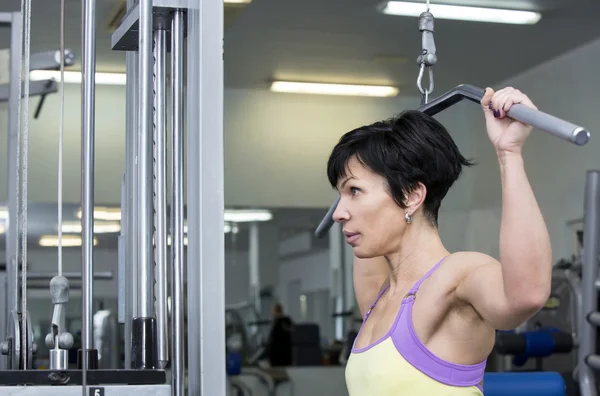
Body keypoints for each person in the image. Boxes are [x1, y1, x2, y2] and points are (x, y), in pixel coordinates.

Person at [326, 87, 552, 395]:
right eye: (340, 195)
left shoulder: (457, 277)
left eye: (354, 191)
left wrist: (508, 154)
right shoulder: (379, 298)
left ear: (410, 195)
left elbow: (526, 295)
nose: (338, 213)